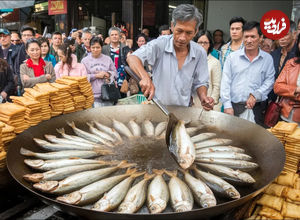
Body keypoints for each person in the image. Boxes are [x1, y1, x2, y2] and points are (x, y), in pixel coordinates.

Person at [127, 4, 214, 109]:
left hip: (184, 110)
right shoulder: (160, 44)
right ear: (172, 26)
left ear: (196, 31)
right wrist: (145, 77)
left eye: (188, 33)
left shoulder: (200, 52)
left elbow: (201, 82)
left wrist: (203, 97)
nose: (182, 37)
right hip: (158, 108)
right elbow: (132, 58)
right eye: (179, 31)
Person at [220, 21, 275, 126]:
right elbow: (225, 82)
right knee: (232, 139)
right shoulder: (232, 58)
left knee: (254, 141)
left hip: (256, 109)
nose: (249, 40)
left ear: (260, 38)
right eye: (246, 37)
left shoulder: (267, 59)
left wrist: (256, 95)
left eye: (253, 37)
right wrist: (227, 105)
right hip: (233, 108)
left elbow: (269, 81)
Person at [81, 37, 117, 107]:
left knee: (107, 117)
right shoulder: (85, 61)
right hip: (92, 96)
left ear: (101, 47)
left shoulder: (107, 59)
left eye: (98, 47)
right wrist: (96, 76)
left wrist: (108, 74)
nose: (95, 50)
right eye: (93, 47)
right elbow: (83, 78)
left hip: (108, 95)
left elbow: (115, 73)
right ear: (90, 48)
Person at [274, 34, 300, 124]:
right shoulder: (291, 63)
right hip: (285, 115)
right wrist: (296, 90)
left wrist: (290, 95)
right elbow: (277, 87)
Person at [268, 23, 297, 102]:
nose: (281, 38)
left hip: (291, 101)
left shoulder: (297, 55)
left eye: (285, 34)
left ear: (294, 34)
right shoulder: (274, 54)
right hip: (273, 102)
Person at [194, 30, 221, 111]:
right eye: (199, 42)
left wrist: (210, 103)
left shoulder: (214, 62)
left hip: (207, 106)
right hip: (191, 104)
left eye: (205, 42)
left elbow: (217, 86)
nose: (202, 45)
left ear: (209, 44)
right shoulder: (190, 60)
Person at [102, 27, 130, 98]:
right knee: (109, 100)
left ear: (119, 36)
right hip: (109, 78)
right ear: (109, 37)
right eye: (112, 35)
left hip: (122, 79)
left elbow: (129, 62)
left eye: (116, 34)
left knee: (122, 101)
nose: (114, 36)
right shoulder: (104, 49)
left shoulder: (125, 48)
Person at [14, 25, 35, 94]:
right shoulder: (19, 49)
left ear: (33, 36)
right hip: (24, 84)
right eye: (24, 35)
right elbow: (17, 68)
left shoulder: (39, 47)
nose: (26, 37)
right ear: (21, 37)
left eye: (29, 35)